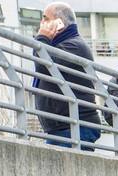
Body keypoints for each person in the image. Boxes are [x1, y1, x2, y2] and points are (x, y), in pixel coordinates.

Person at [32, 3, 100, 149]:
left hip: (73, 127)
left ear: (59, 23)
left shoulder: (74, 45)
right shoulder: (60, 45)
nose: (42, 24)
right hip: (63, 127)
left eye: (46, 19)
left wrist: (42, 37)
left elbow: (43, 66)